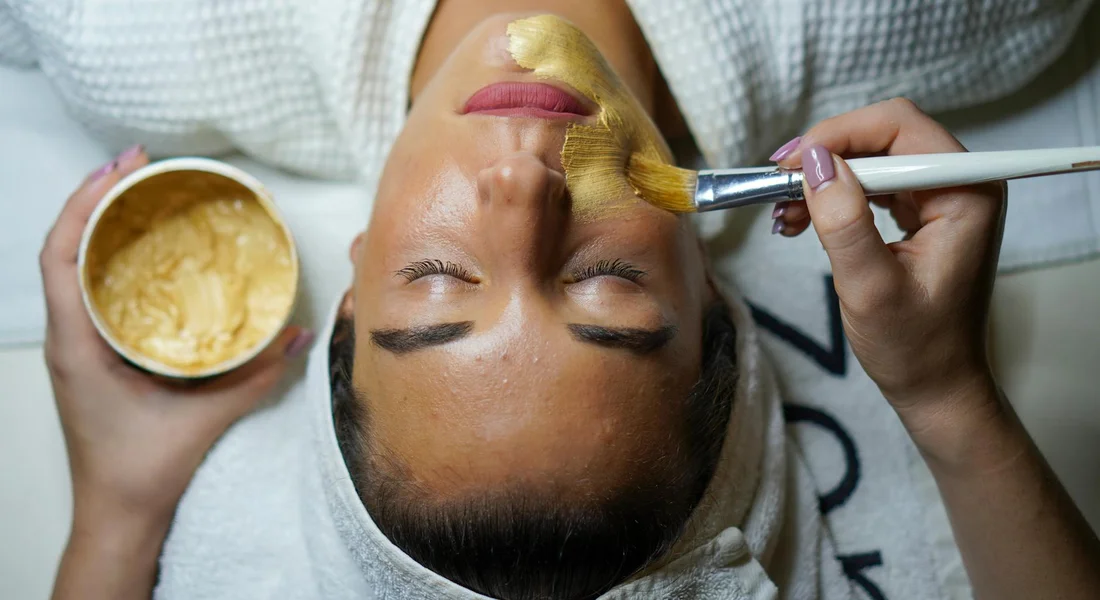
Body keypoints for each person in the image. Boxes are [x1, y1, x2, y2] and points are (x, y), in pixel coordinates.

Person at [17, 1, 1100, 599]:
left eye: (438, 278)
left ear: (351, 276)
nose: (520, 189)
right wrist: (947, 397)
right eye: (606, 281)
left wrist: (112, 511)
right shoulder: (957, 14)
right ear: (712, 286)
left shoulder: (120, 29)